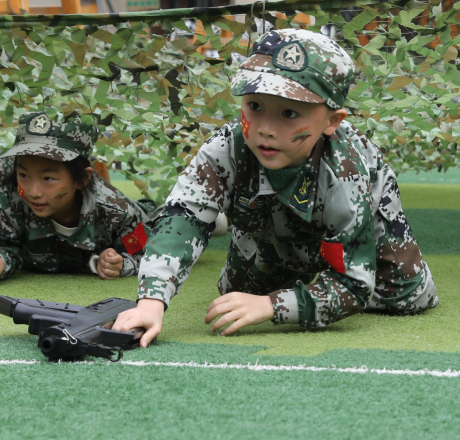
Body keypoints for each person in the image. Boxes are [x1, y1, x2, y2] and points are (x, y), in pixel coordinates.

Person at [114, 29, 439, 345]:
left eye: (289, 113)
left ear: (332, 121)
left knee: (408, 295)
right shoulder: (228, 147)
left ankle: (310, 265)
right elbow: (181, 216)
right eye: (255, 106)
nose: (266, 129)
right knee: (236, 294)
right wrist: (151, 302)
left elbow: (354, 287)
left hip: (353, 211)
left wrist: (274, 306)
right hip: (272, 214)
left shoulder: (348, 174)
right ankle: (243, 225)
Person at [0, 113, 151, 284]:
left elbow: (148, 255)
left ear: (83, 178)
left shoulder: (117, 211)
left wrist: (120, 264)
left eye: (48, 178)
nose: (33, 192)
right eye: (23, 175)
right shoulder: (9, 201)